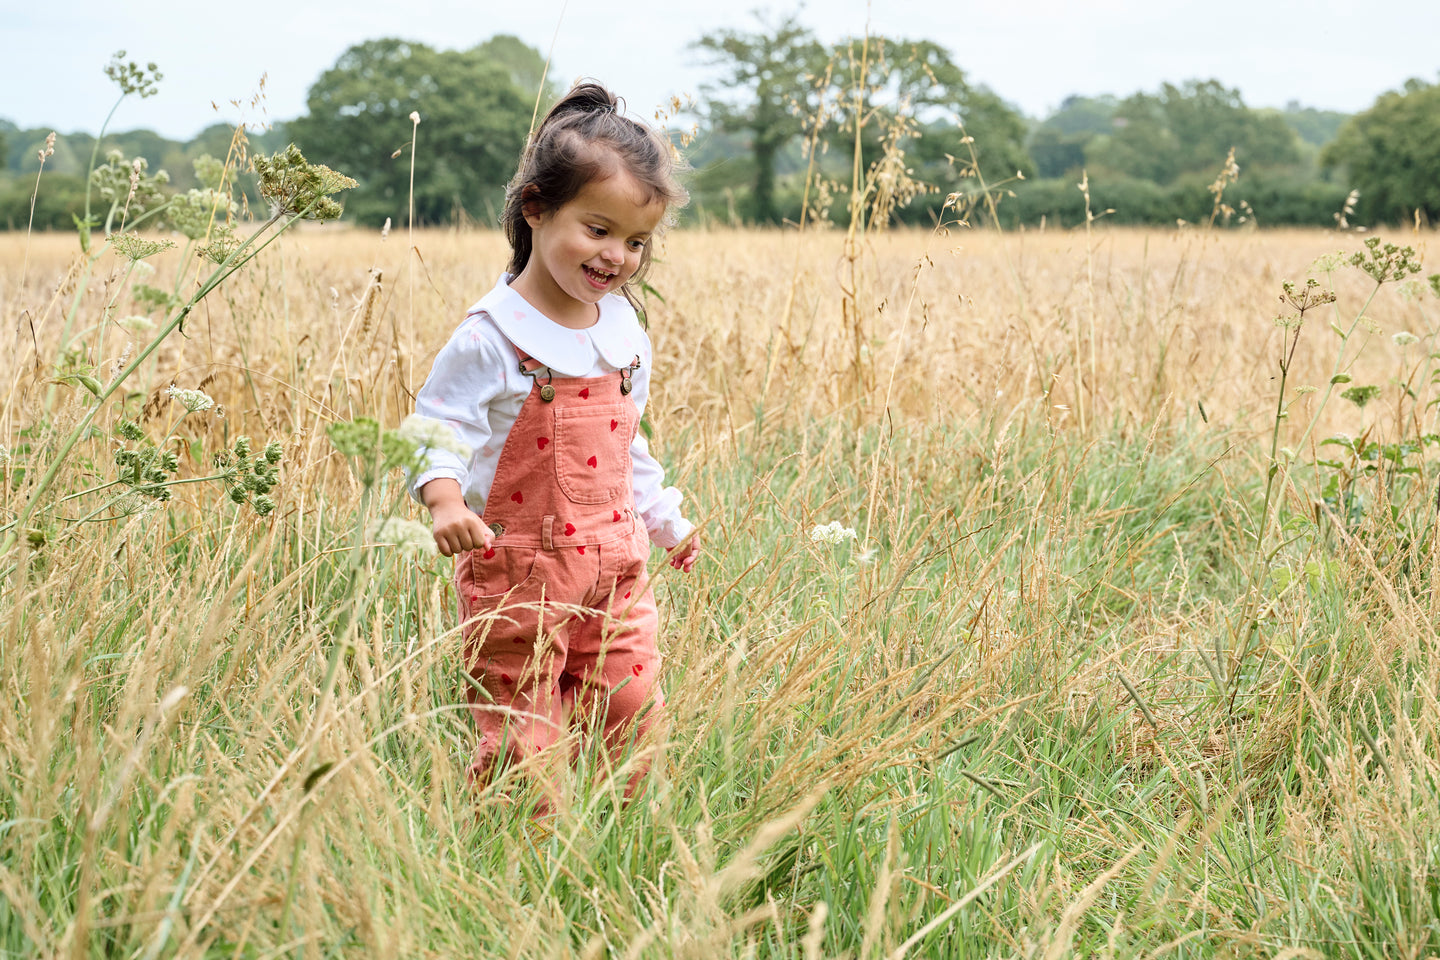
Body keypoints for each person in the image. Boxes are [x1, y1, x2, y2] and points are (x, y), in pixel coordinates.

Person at [407, 81, 699, 808]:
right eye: (597, 230)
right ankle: (519, 848)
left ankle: (619, 837)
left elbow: (629, 444)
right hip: (518, 572)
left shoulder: (623, 335)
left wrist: (665, 522)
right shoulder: (491, 336)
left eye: (636, 241)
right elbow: (435, 425)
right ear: (535, 208)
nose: (618, 257)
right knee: (521, 728)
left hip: (618, 561)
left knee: (631, 707)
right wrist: (444, 502)